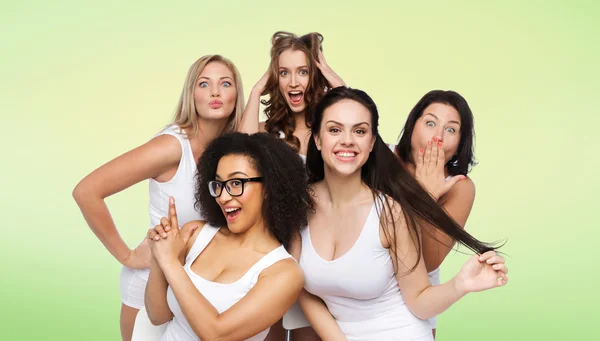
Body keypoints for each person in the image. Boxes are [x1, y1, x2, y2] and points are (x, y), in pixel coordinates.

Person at [293, 87, 508, 341]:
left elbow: (419, 296)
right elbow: (298, 286)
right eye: (334, 130)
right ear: (317, 139)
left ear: (372, 142)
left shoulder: (392, 211)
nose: (348, 140)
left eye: (360, 131)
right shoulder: (298, 203)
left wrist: (461, 284)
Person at [72, 55, 245, 341]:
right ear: (191, 94)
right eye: (204, 84)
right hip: (152, 287)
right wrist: (126, 255)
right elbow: (86, 191)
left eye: (225, 84)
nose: (215, 92)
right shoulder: (171, 147)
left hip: (202, 286)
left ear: (237, 95)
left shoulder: (234, 147)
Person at [144, 132, 311, 341]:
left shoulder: (284, 273)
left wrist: (169, 262)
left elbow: (216, 334)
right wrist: (159, 253)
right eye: (219, 184)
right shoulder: (194, 234)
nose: (223, 197)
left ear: (269, 187)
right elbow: (157, 316)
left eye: (236, 183)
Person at [391, 90, 480, 337]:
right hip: (355, 300)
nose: (437, 137)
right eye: (430, 123)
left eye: (450, 129)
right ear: (412, 125)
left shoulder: (459, 187)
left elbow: (429, 260)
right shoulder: (380, 157)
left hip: (415, 307)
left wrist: (426, 193)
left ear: (460, 142)